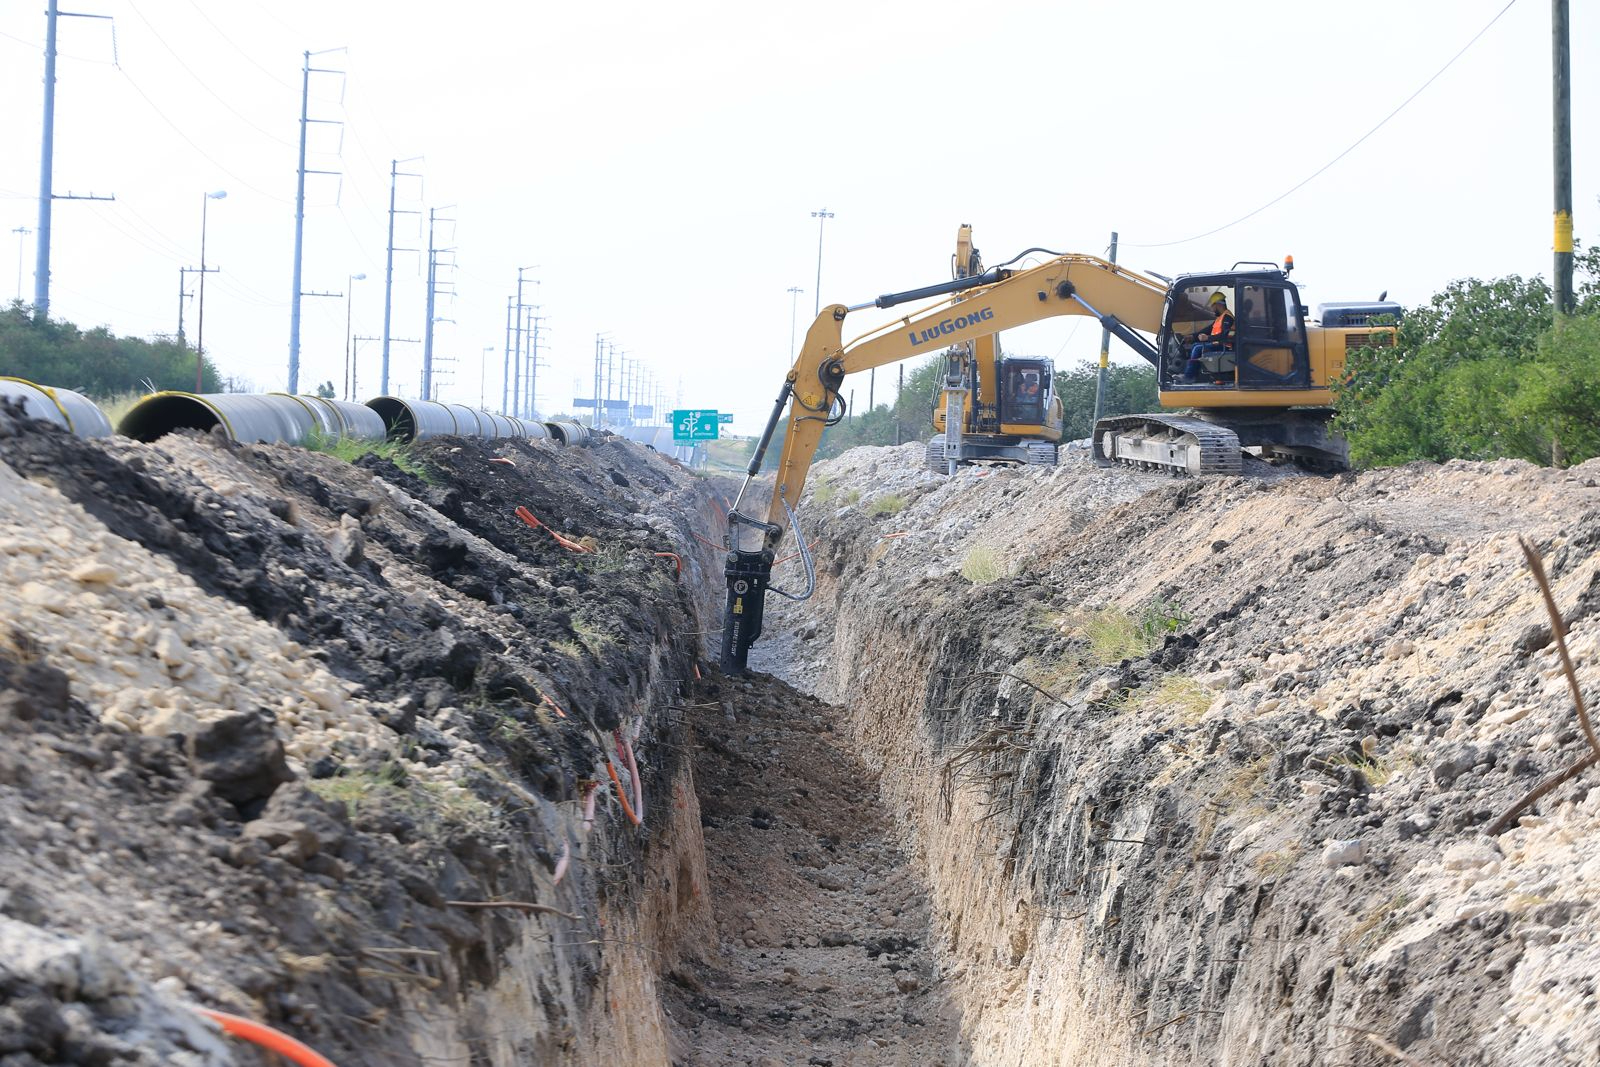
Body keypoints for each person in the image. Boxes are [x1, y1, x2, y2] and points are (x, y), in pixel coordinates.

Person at [1184, 292, 1234, 382]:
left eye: (1212, 306)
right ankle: (1191, 374)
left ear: (1218, 304)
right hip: (1218, 345)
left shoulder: (1227, 318)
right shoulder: (1220, 318)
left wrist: (1207, 338)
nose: (1212, 309)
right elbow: (1207, 330)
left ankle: (1189, 377)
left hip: (1224, 347)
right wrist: (1192, 336)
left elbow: (1224, 336)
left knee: (1197, 349)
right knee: (1195, 345)